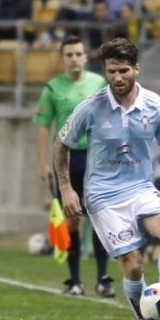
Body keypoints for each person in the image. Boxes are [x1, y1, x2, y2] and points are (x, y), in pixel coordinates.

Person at [54, 37, 160, 320]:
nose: (117, 78)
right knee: (134, 265)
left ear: (136, 68)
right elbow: (62, 144)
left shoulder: (156, 106)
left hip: (139, 188)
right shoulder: (92, 107)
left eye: (123, 70)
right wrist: (67, 187)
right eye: (111, 72)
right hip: (103, 196)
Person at [34, 35, 114, 297]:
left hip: (96, 157)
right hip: (67, 159)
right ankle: (75, 280)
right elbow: (44, 124)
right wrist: (42, 161)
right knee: (72, 222)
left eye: (78, 54)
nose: (74, 59)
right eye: (69, 54)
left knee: (102, 217)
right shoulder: (53, 88)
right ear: (63, 58)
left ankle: (103, 278)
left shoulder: (100, 83)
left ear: (85, 57)